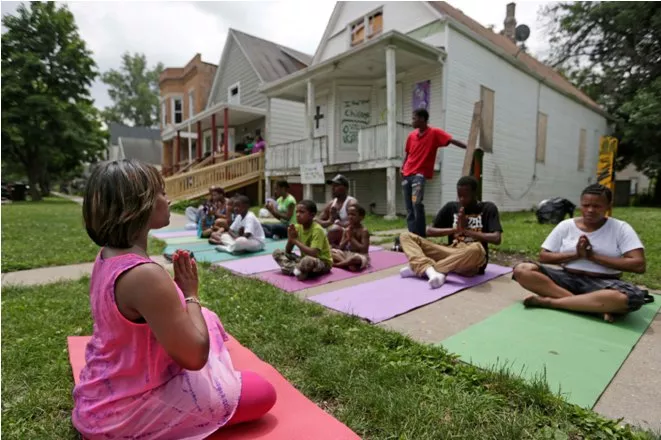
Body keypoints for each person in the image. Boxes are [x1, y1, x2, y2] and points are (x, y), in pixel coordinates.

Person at [74, 159, 276, 439]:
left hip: (99, 399)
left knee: (208, 318)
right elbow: (194, 357)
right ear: (139, 206)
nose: (168, 200)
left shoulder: (108, 255)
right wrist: (190, 293)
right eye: (162, 193)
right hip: (122, 415)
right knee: (261, 391)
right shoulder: (144, 275)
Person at [513, 184, 653, 323]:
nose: (590, 210)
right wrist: (576, 255)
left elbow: (639, 265)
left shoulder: (621, 228)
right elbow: (543, 257)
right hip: (566, 278)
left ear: (608, 206)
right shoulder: (566, 225)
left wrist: (593, 257)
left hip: (604, 283)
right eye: (586, 205)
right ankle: (590, 307)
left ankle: (551, 302)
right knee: (522, 270)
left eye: (597, 206)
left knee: (628, 298)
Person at [399, 176, 503, 289]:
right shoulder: (451, 207)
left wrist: (466, 231)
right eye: (460, 196)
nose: (462, 199)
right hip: (451, 252)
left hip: (471, 259)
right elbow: (428, 231)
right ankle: (431, 269)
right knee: (405, 236)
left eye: (465, 196)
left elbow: (496, 238)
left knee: (476, 248)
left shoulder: (488, 208)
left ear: (474, 193)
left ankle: (422, 268)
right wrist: (455, 230)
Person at [401, 108, 467, 238]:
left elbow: (451, 140)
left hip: (418, 177)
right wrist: (402, 168)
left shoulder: (434, 133)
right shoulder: (411, 136)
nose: (412, 121)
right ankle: (412, 235)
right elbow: (408, 154)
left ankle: (420, 236)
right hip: (407, 176)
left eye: (414, 118)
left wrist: (468, 146)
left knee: (416, 204)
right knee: (409, 208)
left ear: (422, 119)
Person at [273, 199, 333, 281]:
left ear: (312, 215)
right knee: (277, 253)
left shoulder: (317, 230)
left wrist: (295, 241)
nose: (297, 215)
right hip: (303, 259)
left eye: (302, 212)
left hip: (322, 262)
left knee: (307, 260)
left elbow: (313, 253)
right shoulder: (297, 227)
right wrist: (290, 238)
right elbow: (288, 251)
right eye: (297, 212)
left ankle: (296, 269)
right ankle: (297, 270)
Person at [315, 174, 357, 247]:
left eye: (336, 186)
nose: (333, 188)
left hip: (349, 236)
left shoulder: (351, 203)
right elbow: (319, 220)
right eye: (332, 186)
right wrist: (330, 221)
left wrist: (337, 222)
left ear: (346, 188)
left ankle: (323, 248)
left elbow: (354, 224)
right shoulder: (331, 203)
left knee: (336, 229)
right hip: (333, 235)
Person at [331, 204, 371, 272]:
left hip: (360, 255)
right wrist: (347, 239)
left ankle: (337, 265)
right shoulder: (347, 230)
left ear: (361, 217)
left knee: (354, 259)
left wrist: (351, 238)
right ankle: (347, 264)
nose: (350, 217)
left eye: (353, 215)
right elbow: (341, 247)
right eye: (348, 214)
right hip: (347, 253)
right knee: (330, 252)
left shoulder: (364, 231)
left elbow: (364, 250)